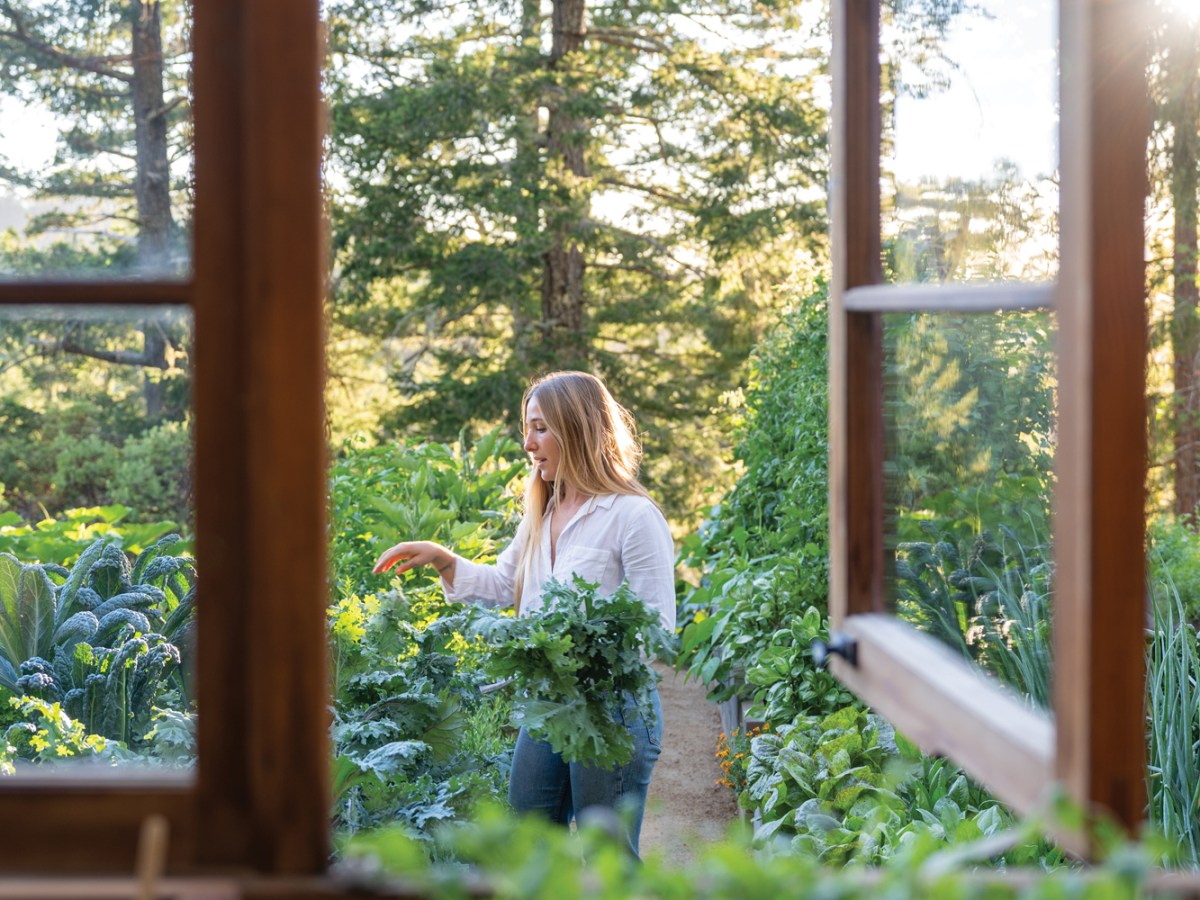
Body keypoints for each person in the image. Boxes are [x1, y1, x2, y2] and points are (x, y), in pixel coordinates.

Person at [373, 370, 676, 857]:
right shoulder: (543, 511)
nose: (528, 444)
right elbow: (502, 585)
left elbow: (658, 631)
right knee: (531, 844)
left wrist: (575, 648)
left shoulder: (633, 517)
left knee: (607, 858)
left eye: (540, 428)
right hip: (548, 704)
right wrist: (444, 559)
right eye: (527, 428)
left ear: (576, 429)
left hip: (611, 709)